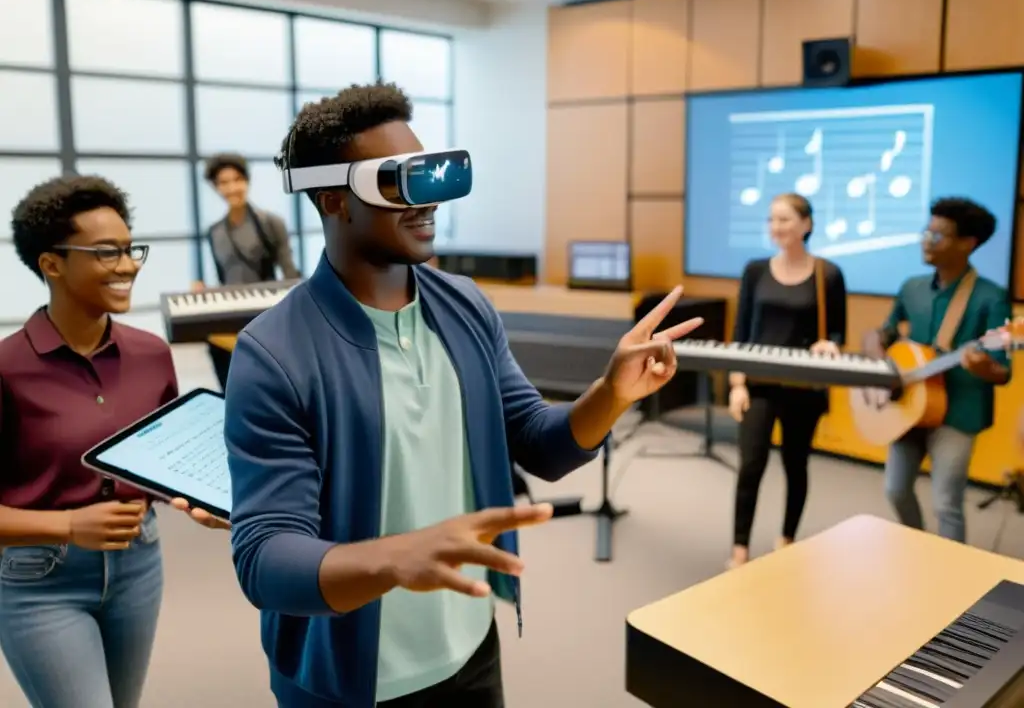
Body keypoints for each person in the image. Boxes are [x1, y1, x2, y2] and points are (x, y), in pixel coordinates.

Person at [223, 82, 703, 707]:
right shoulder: (275, 353)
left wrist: (611, 394)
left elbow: (540, 443)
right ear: (333, 196)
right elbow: (265, 557)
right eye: (400, 182)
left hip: (471, 649)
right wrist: (394, 557)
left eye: (434, 176)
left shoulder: (465, 306)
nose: (429, 202)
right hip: (350, 680)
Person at [0, 175, 226, 708]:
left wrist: (210, 497)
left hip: (138, 566)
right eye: (107, 253)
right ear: (51, 263)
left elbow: (166, 459)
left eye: (130, 250)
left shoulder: (151, 354)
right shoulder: (7, 369)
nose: (129, 266)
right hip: (40, 581)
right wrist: (68, 524)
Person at [865, 197, 1010, 544]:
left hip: (958, 414)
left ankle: (953, 578)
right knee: (895, 490)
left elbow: (1003, 372)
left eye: (938, 236)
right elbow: (883, 333)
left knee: (947, 503)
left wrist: (982, 365)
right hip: (909, 407)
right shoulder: (911, 287)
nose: (926, 241)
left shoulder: (991, 297)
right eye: (926, 232)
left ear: (967, 244)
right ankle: (920, 548)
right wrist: (875, 349)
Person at [727, 192, 847, 569]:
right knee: (750, 465)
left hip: (803, 389)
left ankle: (787, 539)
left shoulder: (828, 273)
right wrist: (737, 384)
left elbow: (838, 333)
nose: (776, 227)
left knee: (796, 465)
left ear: (806, 225)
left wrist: (832, 344)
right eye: (772, 220)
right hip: (759, 384)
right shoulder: (755, 270)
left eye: (785, 219)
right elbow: (741, 331)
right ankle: (739, 550)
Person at [196, 153, 301, 389]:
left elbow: (290, 274)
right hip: (229, 322)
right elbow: (225, 280)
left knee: (271, 389)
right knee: (230, 389)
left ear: (247, 181)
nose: (232, 187)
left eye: (237, 179)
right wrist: (204, 292)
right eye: (223, 182)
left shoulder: (271, 223)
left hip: (267, 317)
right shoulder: (214, 232)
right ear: (215, 187)